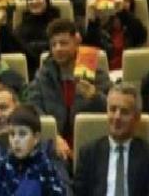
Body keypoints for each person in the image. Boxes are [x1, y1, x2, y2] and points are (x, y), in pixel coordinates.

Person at [25, 19, 109, 158]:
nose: (58, 49)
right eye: (54, 45)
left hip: (91, 147)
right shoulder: (43, 75)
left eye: (63, 43)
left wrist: (95, 96)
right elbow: (33, 108)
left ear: (76, 42)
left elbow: (112, 109)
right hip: (54, 148)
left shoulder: (95, 73)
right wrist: (52, 136)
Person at [72, 85, 149, 196]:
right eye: (112, 110)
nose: (117, 117)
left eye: (124, 112)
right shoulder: (89, 153)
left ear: (137, 118)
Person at [0, 105, 71, 196]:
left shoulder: (46, 168)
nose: (16, 140)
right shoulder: (1, 167)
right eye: (12, 134)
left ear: (36, 138)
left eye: (22, 134)